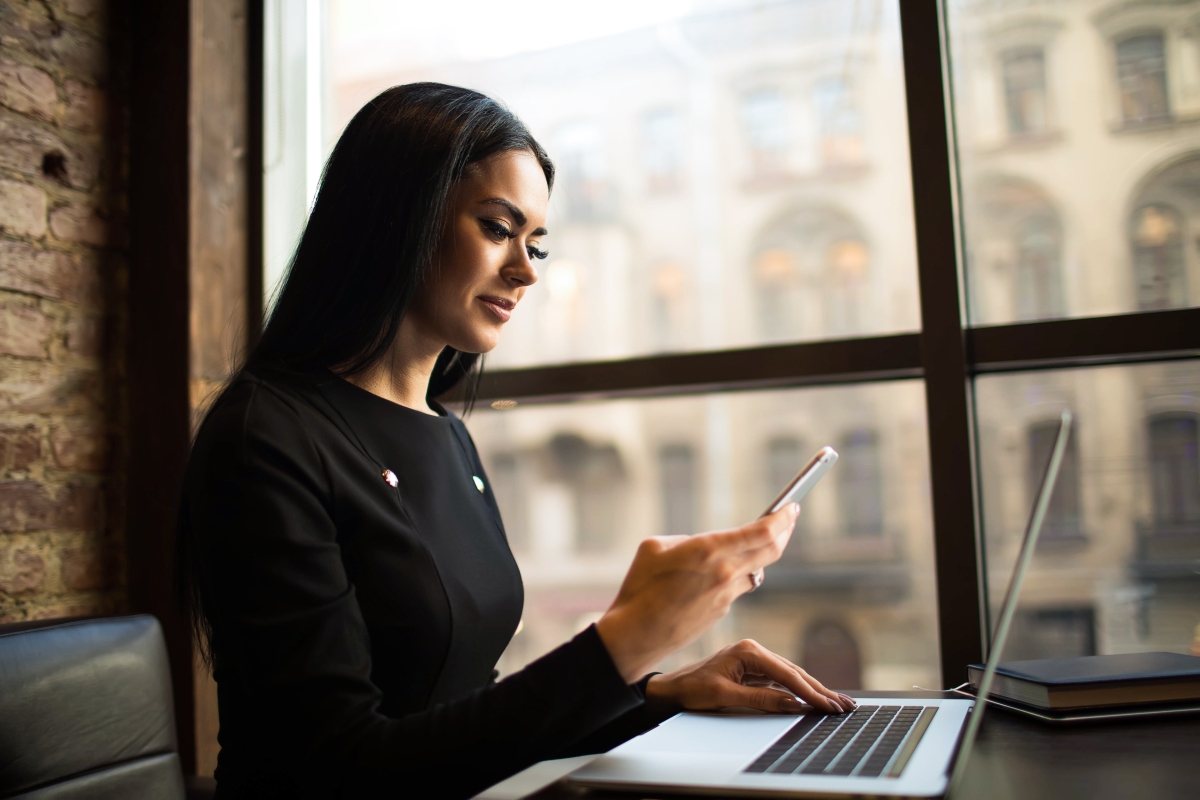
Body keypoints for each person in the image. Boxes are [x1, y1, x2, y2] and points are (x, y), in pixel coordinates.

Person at [178, 82, 853, 799]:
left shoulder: (448, 437)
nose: (528, 270)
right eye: (498, 228)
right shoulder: (267, 439)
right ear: (397, 218)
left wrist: (659, 692)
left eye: (537, 243)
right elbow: (340, 767)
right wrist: (623, 644)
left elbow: (467, 718)